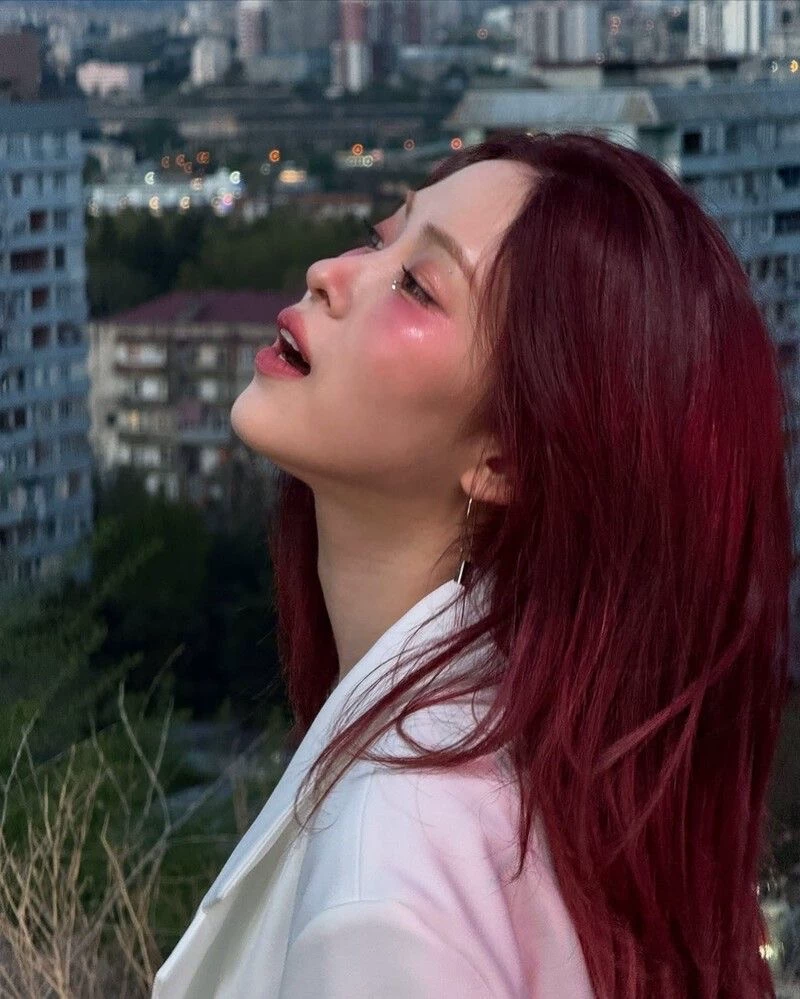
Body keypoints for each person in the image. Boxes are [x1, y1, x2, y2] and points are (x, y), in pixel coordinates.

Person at [152, 130, 792, 998]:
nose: (329, 274)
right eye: (379, 239)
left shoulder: (386, 888)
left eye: (419, 285)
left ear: (505, 459)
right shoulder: (533, 772)